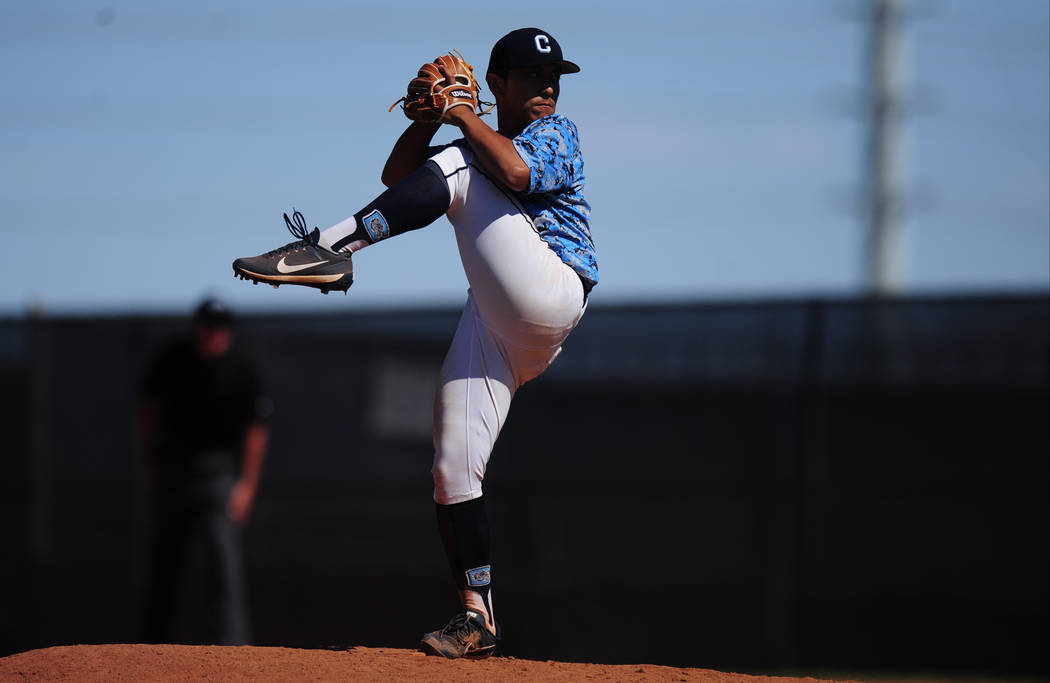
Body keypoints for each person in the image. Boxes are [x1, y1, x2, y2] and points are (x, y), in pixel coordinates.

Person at [232, 27, 596, 659]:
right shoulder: (475, 139)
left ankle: (328, 248)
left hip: (551, 290)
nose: (547, 88)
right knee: (452, 468)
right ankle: (476, 615)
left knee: (459, 167)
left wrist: (457, 115)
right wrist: (429, 121)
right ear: (499, 85)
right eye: (534, 78)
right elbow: (401, 178)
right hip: (498, 323)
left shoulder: (555, 134)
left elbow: (510, 168)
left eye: (554, 78)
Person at [139, 297, 270, 646]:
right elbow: (148, 409)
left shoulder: (241, 368)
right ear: (197, 328)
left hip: (219, 477)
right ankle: (150, 646)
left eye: (222, 327)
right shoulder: (173, 359)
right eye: (209, 327)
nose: (216, 334)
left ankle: (231, 648)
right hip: (174, 470)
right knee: (165, 563)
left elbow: (257, 429)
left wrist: (246, 485)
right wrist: (151, 462)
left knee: (223, 564)